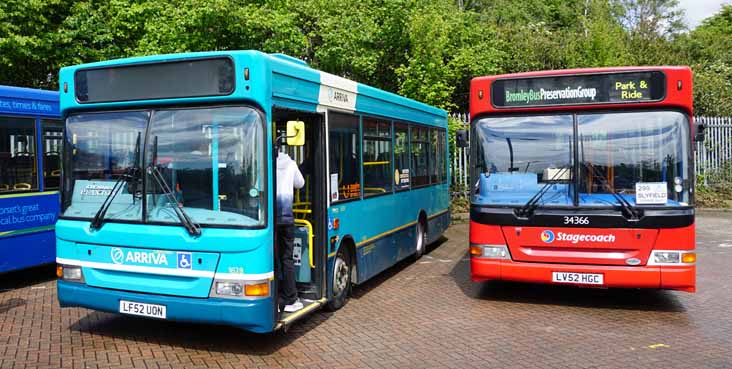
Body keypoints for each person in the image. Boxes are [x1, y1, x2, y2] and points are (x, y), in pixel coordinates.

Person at [276, 151, 305, 312]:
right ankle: (290, 298)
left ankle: (275, 295)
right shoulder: (291, 164)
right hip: (286, 218)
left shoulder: (268, 162)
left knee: (274, 258)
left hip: (271, 220)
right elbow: (300, 183)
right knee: (287, 258)